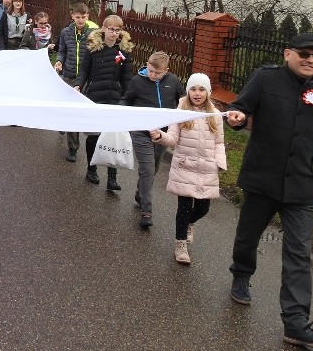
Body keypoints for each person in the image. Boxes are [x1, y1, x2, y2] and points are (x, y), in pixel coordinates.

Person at [225, 32, 313, 349]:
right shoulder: (266, 78)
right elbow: (240, 107)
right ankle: (241, 275)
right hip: (263, 178)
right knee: (248, 238)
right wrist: (236, 118)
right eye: (304, 54)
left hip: (302, 185)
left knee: (299, 255)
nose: (310, 60)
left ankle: (296, 323)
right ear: (289, 53)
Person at [150, 73, 225, 264]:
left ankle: (190, 223)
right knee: (183, 207)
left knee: (203, 208)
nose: (197, 94)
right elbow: (173, 138)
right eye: (193, 89)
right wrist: (160, 136)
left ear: (208, 92)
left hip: (207, 168)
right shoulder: (181, 112)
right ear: (188, 91)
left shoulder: (215, 115)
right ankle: (180, 244)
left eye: (201, 89)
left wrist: (220, 163)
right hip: (185, 166)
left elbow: (219, 142)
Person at [120, 51, 185, 228]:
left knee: (154, 168)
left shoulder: (173, 82)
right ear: (147, 66)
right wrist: (119, 112)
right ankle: (146, 211)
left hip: (163, 134)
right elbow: (126, 100)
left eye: (158, 73)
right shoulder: (137, 81)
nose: (153, 75)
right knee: (147, 169)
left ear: (167, 71)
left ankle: (140, 193)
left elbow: (183, 102)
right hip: (140, 132)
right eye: (150, 71)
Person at [73, 15, 133, 191]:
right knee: (94, 135)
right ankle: (91, 168)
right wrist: (78, 85)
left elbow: (127, 78)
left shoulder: (124, 52)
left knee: (112, 136)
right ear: (104, 29)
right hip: (95, 97)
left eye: (117, 30)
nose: (114, 33)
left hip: (115, 98)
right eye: (111, 29)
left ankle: (112, 177)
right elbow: (84, 71)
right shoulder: (93, 49)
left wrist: (129, 98)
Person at [55, 2, 98, 161]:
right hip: (69, 74)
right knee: (71, 110)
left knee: (82, 110)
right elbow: (62, 50)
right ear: (72, 16)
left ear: (88, 17)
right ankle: (73, 148)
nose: (80, 20)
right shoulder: (66, 32)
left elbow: (97, 52)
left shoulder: (94, 33)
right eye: (78, 17)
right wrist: (59, 61)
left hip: (87, 77)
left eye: (84, 17)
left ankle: (70, 126)